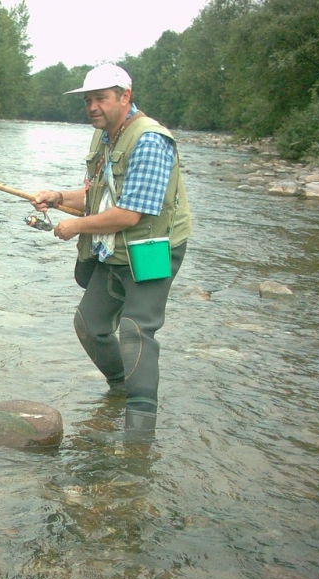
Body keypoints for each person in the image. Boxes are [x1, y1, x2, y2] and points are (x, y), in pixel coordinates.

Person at [30, 64, 192, 432]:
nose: (92, 107)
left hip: (153, 247)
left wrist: (74, 226)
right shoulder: (104, 135)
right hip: (115, 248)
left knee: (136, 332)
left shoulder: (150, 141)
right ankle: (120, 390)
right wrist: (57, 197)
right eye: (88, 100)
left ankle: (138, 441)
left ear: (125, 97)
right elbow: (97, 194)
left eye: (100, 98)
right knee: (91, 325)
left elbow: (130, 214)